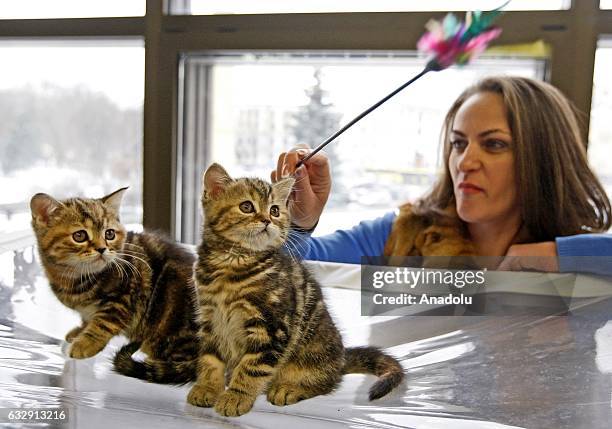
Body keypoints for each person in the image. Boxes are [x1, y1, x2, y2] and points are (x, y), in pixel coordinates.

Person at [271, 76, 612, 276]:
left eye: (493, 144)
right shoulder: (402, 236)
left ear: (542, 158)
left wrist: (559, 256)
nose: (465, 161)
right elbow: (277, 274)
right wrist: (299, 224)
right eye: (458, 143)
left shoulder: (579, 257)